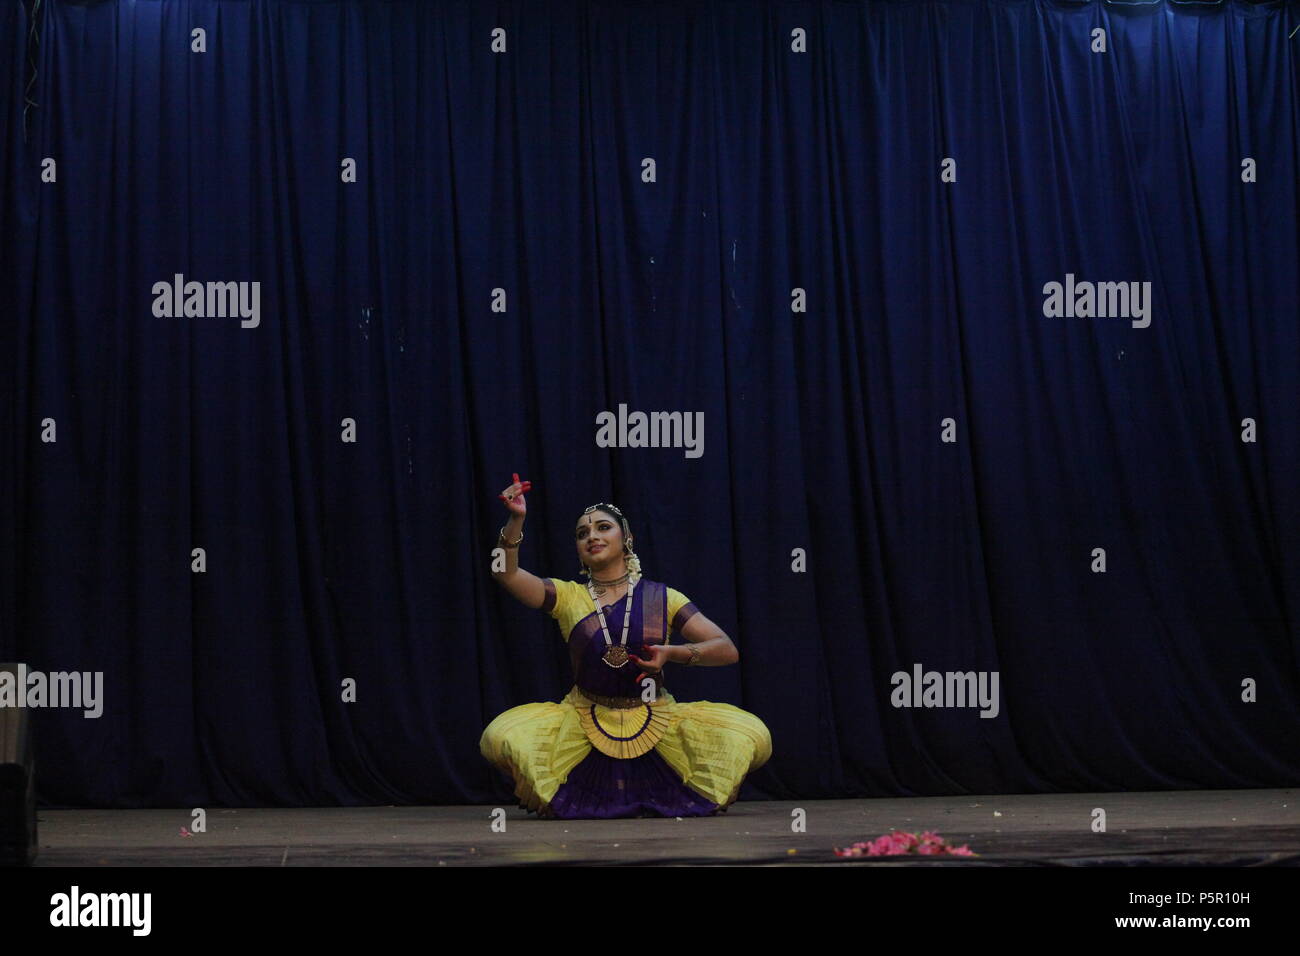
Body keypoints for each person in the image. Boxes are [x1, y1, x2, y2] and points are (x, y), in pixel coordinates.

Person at [480, 473, 772, 819]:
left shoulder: (663, 597)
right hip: (583, 719)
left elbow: (725, 649)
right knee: (500, 736)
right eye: (582, 533)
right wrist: (516, 519)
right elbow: (505, 573)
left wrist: (673, 653)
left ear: (627, 538)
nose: (592, 536)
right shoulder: (567, 596)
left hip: (656, 717)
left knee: (752, 735)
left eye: (603, 527)